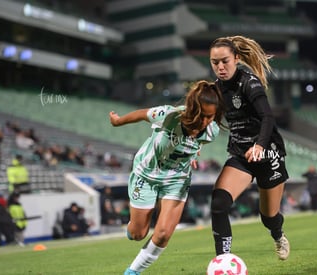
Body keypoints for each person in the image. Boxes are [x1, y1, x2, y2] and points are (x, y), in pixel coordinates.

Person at [109, 80, 225, 274]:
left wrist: (194, 153)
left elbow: (199, 142)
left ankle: (132, 272)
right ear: (193, 108)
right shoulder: (170, 115)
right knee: (138, 233)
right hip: (146, 174)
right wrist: (117, 121)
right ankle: (132, 228)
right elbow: (141, 114)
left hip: (176, 180)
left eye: (210, 116)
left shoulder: (212, 131)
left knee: (162, 234)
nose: (205, 121)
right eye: (202, 115)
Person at [208, 35, 290, 260]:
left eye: (225, 61)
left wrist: (259, 146)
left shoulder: (249, 82)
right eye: (215, 63)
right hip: (240, 155)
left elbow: (267, 116)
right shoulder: (216, 89)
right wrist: (195, 145)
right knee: (218, 203)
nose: (220, 67)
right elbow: (208, 120)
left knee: (269, 217)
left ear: (236, 58)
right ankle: (223, 261)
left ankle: (278, 234)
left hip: (268, 153)